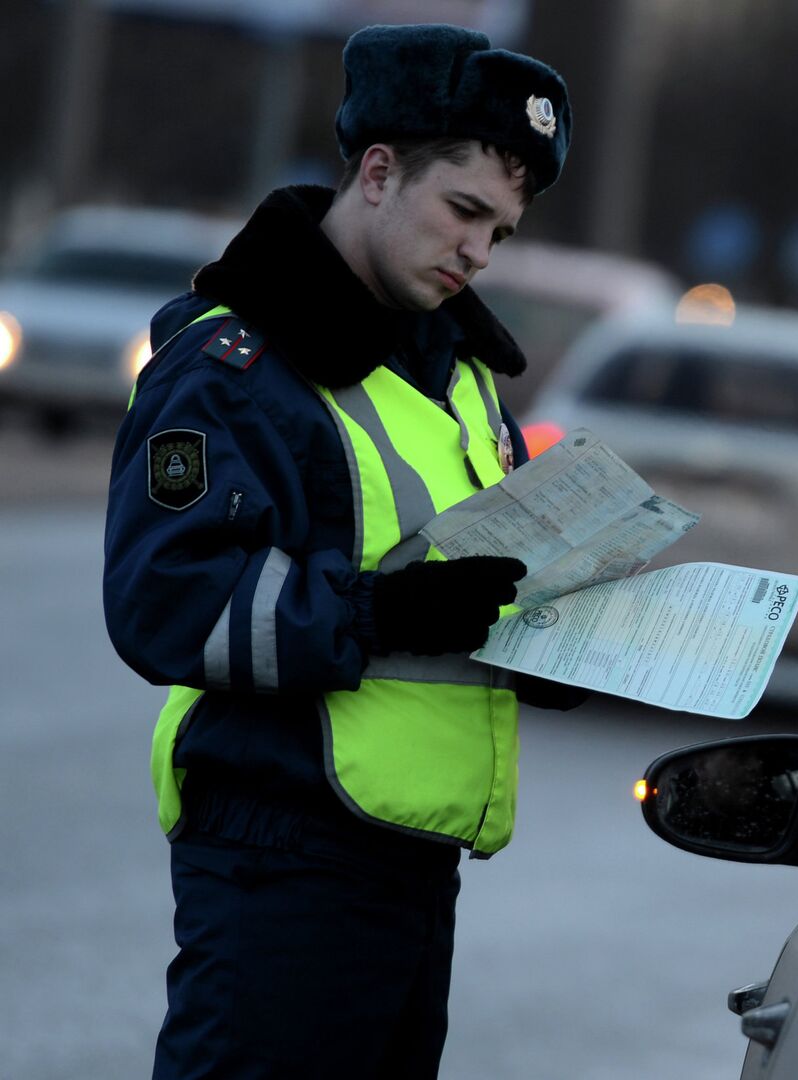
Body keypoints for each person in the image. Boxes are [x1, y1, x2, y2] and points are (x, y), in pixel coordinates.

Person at [102, 24, 586, 1078]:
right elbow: (164, 599)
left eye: (500, 233)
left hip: (409, 868)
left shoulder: (458, 374)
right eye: (463, 212)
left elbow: (462, 583)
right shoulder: (233, 363)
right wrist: (378, 615)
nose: (477, 252)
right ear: (377, 172)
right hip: (280, 852)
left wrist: (549, 640)